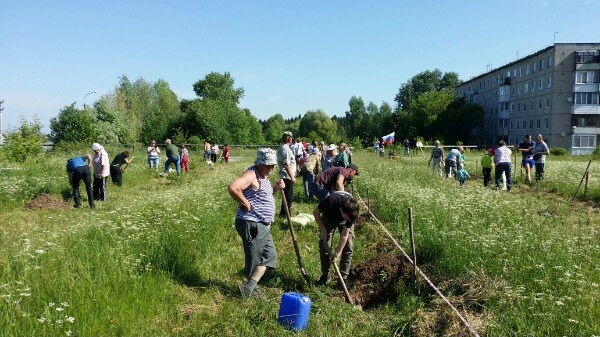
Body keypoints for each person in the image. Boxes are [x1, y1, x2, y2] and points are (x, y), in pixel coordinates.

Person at [228, 148, 285, 298]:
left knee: (269, 256)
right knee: (255, 257)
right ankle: (248, 289)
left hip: (261, 224)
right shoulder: (252, 173)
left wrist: (275, 189)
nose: (271, 168)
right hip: (252, 222)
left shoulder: (263, 176)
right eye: (268, 165)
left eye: (273, 165)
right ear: (260, 163)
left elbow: (261, 195)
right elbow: (234, 188)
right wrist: (245, 204)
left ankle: (250, 286)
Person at [313, 191, 360, 286]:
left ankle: (343, 278)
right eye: (345, 217)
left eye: (348, 219)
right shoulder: (331, 201)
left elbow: (344, 235)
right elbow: (315, 213)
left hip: (345, 214)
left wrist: (337, 254)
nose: (347, 220)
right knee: (325, 244)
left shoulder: (352, 213)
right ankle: (325, 275)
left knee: (349, 244)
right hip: (329, 216)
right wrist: (323, 230)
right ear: (341, 210)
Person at [277, 131, 296, 218]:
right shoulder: (286, 149)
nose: (292, 139)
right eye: (291, 138)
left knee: (286, 196)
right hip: (287, 176)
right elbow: (286, 164)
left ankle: (282, 213)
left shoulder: (282, 148)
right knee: (289, 197)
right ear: (289, 139)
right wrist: (292, 177)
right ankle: (286, 215)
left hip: (285, 175)